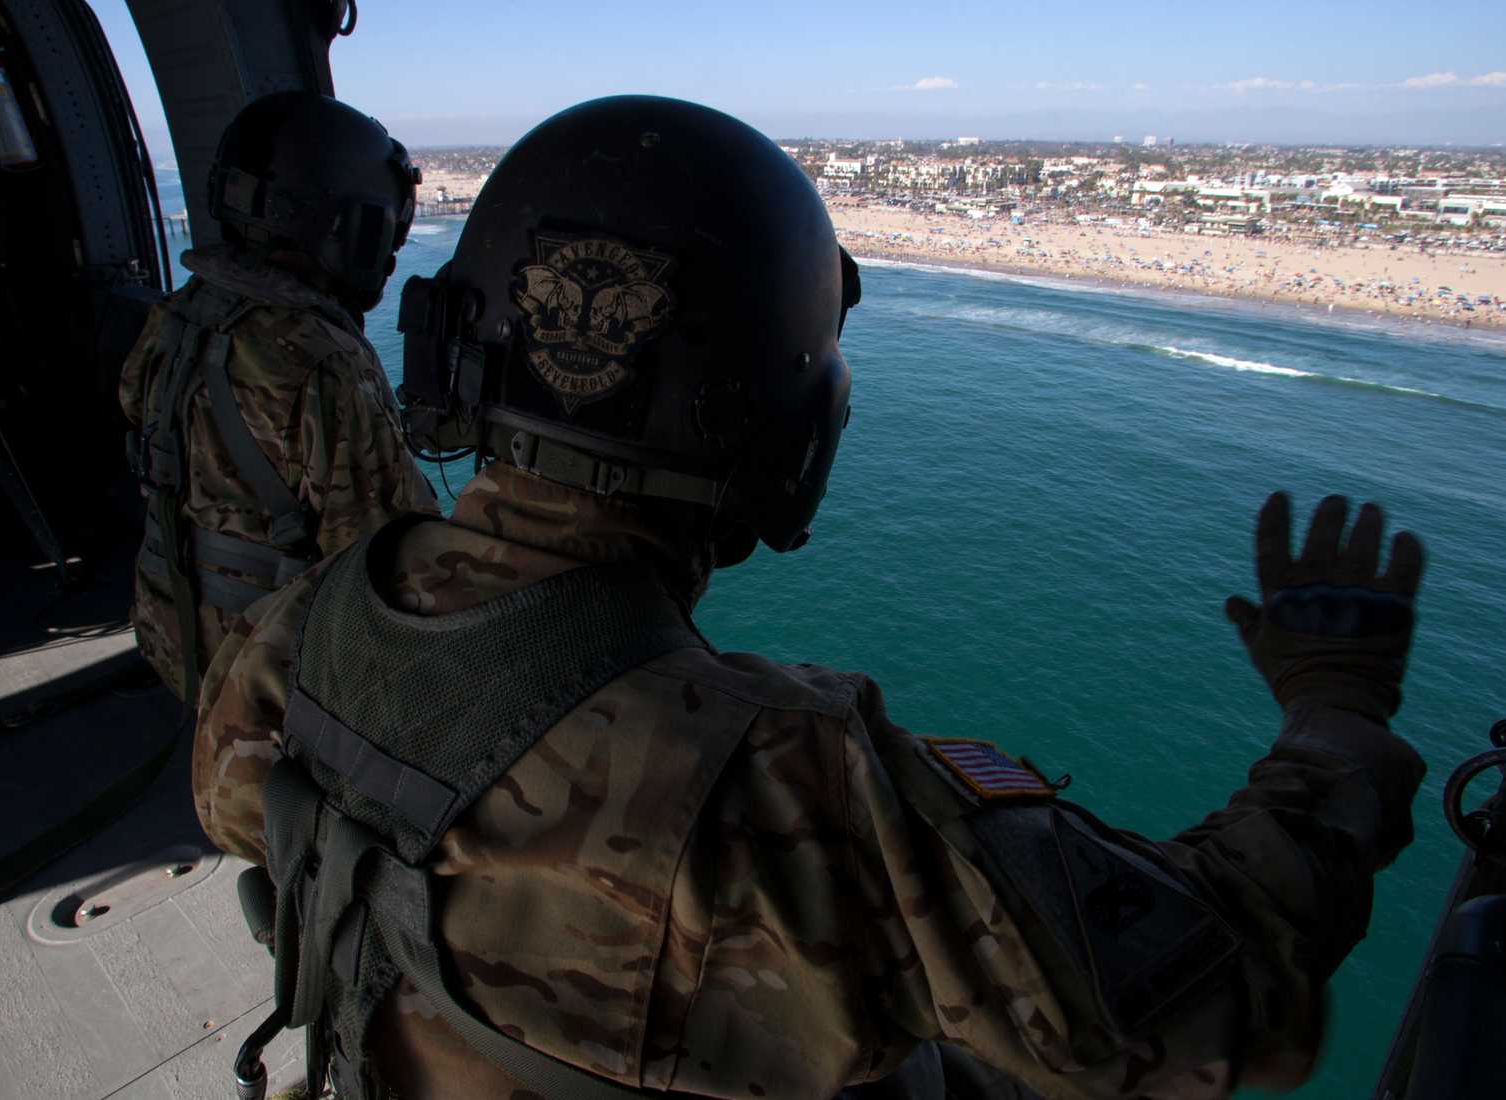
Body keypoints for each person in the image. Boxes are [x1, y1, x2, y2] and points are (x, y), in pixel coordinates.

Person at [193, 96, 1427, 1100]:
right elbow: (1210, 996)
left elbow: (243, 810)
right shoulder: (795, 783)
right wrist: (1335, 724)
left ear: (452, 362)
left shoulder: (288, 638)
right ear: (791, 441)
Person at [121, 91, 436, 703]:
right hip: (262, 670)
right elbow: (388, 545)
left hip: (171, 629)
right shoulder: (320, 357)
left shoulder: (177, 316)